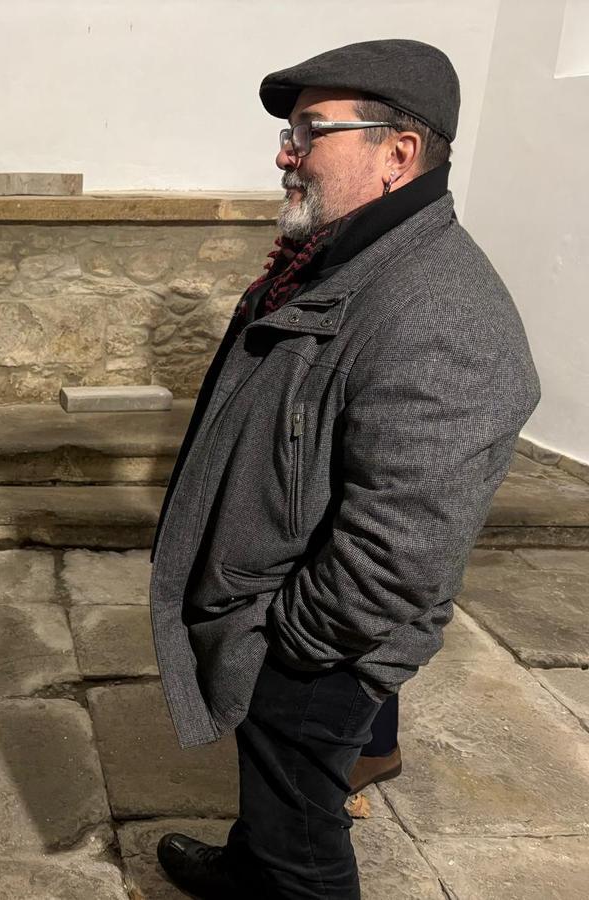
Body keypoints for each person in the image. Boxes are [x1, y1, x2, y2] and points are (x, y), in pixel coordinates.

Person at [149, 40, 539, 898]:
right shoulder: (344, 254)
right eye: (292, 130)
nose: (285, 152)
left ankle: (274, 874)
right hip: (279, 612)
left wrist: (288, 646)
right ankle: (246, 870)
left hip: (319, 650)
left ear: (397, 153)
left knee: (306, 844)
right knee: (276, 798)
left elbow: (401, 549)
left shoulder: (442, 312)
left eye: (310, 131)